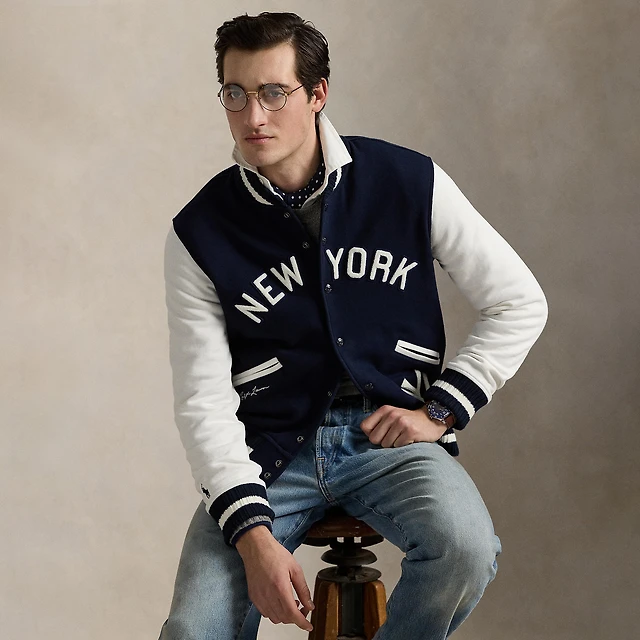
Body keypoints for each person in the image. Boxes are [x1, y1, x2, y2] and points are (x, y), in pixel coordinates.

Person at [158, 11, 548, 640]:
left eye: (273, 93)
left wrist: (442, 410)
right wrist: (252, 536)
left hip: (389, 443)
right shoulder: (200, 232)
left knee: (466, 549)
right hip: (269, 453)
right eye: (235, 93)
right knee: (193, 629)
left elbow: (519, 300)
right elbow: (202, 399)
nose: (253, 116)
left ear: (317, 93)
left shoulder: (406, 181)